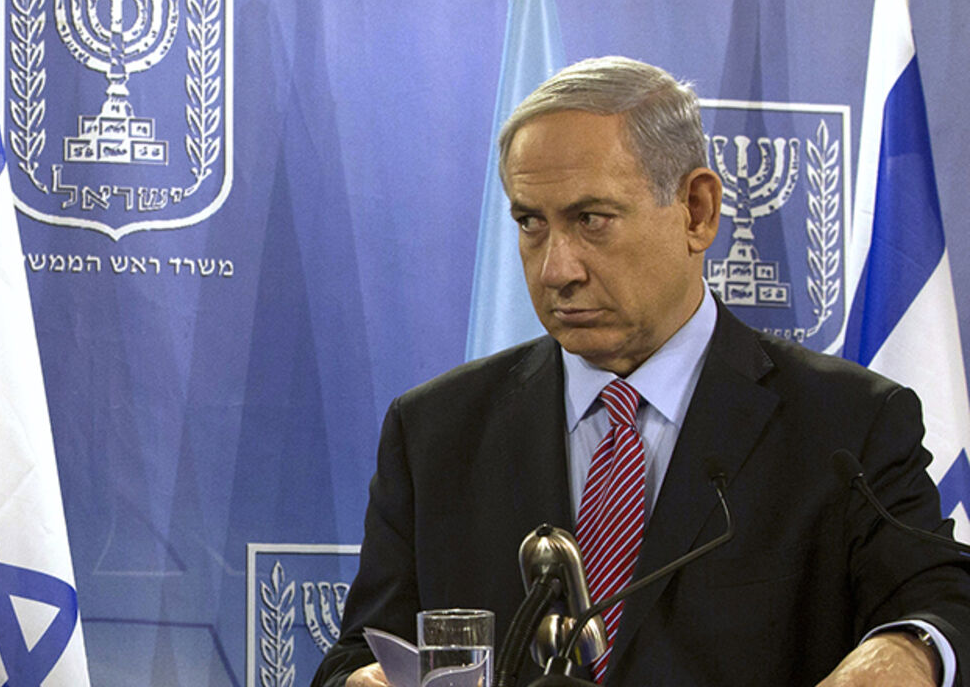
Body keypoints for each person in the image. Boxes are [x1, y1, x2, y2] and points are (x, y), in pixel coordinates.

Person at [310, 56, 970, 687]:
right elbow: (357, 653)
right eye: (531, 223)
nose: (555, 269)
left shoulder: (845, 423)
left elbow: (940, 601)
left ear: (697, 211)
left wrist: (906, 652)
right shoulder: (436, 434)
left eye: (591, 219)